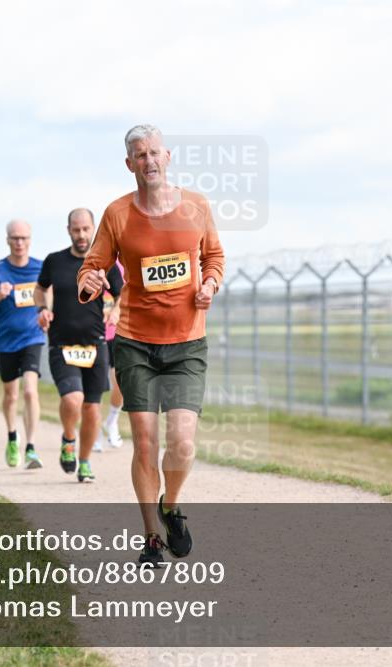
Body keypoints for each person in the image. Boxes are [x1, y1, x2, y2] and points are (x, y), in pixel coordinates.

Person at [77, 124, 225, 566]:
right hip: (136, 342)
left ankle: (171, 506)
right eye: (140, 155)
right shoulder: (118, 214)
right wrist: (90, 282)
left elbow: (213, 256)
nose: (150, 161)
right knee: (144, 442)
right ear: (130, 164)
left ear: (169, 156)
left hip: (186, 343)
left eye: (155, 152)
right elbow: (92, 268)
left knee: (181, 443)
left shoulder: (196, 206)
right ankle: (152, 540)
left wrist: (211, 285)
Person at [35, 208, 123, 483]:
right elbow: (40, 289)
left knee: (92, 408)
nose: (82, 235)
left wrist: (117, 310)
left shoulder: (105, 262)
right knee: (73, 399)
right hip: (62, 343)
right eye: (76, 229)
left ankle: (84, 461)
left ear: (94, 228)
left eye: (86, 229)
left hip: (96, 343)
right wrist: (43, 309)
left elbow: (123, 293)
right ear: (69, 230)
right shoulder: (55, 261)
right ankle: (68, 438)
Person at [0, 220, 45, 469]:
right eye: (15, 238)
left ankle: (31, 448)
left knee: (30, 391)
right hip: (5, 342)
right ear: (7, 240)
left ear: (30, 239)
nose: (19, 243)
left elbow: (49, 295)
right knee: (11, 395)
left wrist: (47, 312)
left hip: (32, 337)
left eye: (24, 238)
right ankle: (11, 436)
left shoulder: (39, 268)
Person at [98, 261, 126, 450]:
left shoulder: (134, 258)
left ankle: (112, 420)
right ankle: (94, 431)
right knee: (95, 385)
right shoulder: (99, 260)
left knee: (121, 382)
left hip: (121, 332)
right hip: (96, 332)